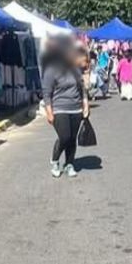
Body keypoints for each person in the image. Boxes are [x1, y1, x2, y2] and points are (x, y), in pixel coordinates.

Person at [42, 35, 88, 178]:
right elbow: (46, 93)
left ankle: (69, 164)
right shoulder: (51, 70)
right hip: (59, 108)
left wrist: (85, 104)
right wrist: (49, 112)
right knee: (65, 137)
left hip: (76, 108)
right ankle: (55, 161)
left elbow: (82, 89)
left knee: (72, 138)